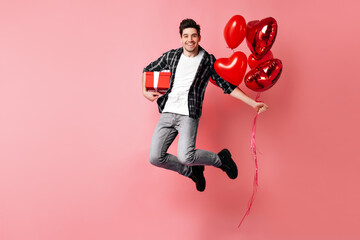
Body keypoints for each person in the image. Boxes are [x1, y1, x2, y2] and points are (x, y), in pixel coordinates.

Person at [142, 19, 268, 192]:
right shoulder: (171, 55)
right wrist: (145, 92)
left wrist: (253, 103)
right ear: (181, 38)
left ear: (199, 37)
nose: (190, 39)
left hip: (188, 114)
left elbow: (227, 86)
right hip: (168, 112)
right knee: (155, 157)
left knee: (186, 155)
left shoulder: (208, 61)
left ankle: (221, 159)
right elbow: (148, 69)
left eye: (193, 35)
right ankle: (191, 170)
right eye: (186, 36)